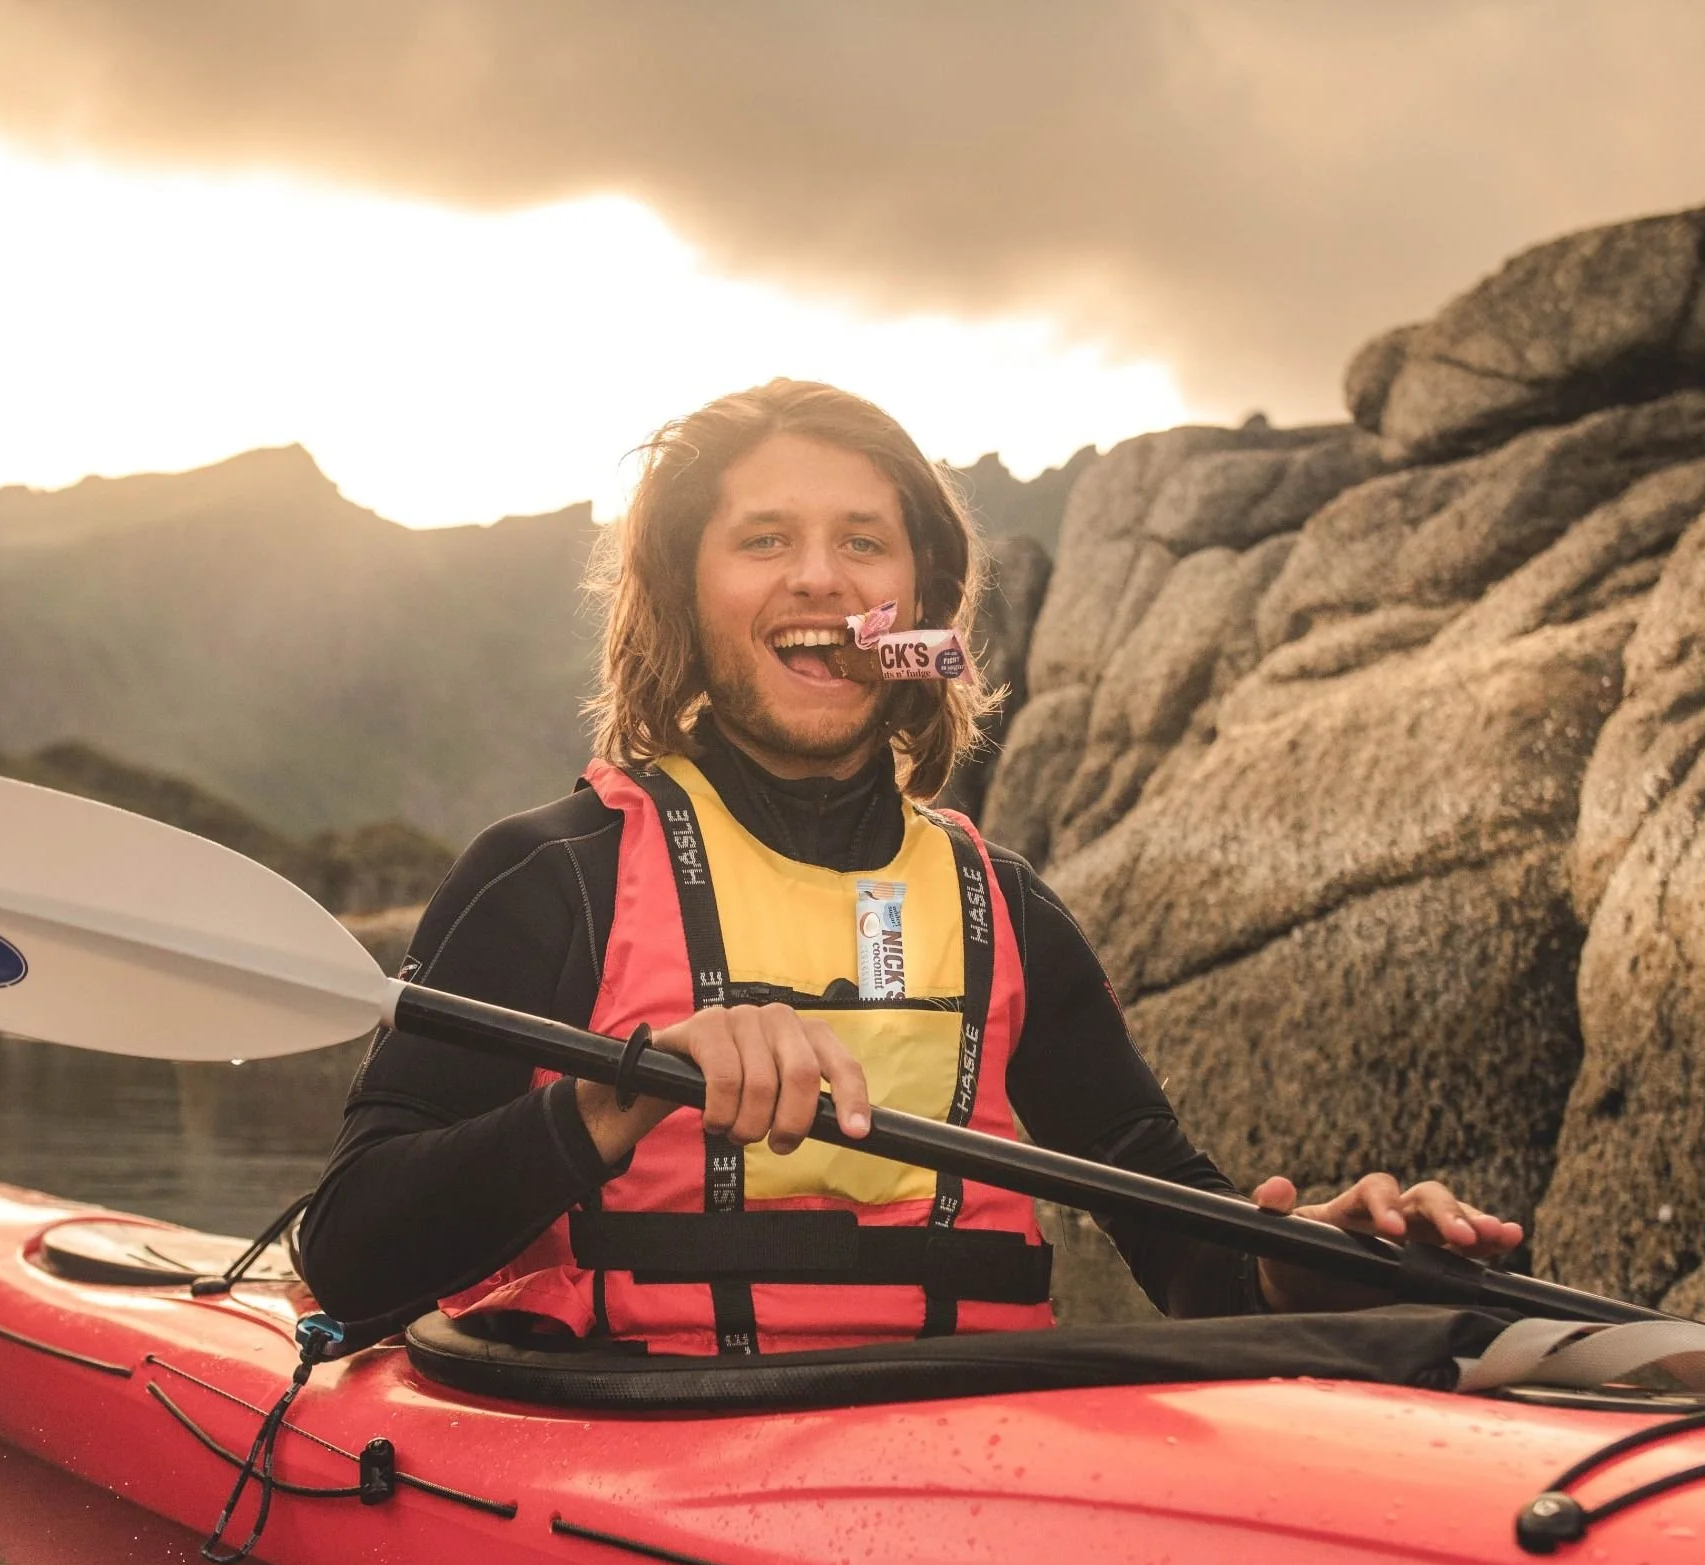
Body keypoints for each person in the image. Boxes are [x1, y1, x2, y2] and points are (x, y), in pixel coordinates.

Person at [299, 379, 1520, 1352]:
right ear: (681, 594)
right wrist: (614, 1096)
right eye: (763, 538)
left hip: (951, 1461)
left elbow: (1186, 1247)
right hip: (626, 1456)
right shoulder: (548, 878)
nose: (819, 576)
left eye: (864, 544)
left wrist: (1320, 1250)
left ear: (920, 607)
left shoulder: (1006, 912)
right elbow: (349, 1250)